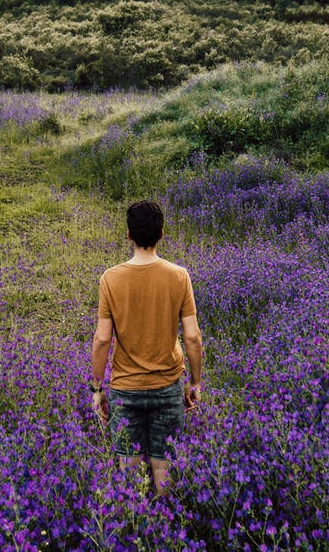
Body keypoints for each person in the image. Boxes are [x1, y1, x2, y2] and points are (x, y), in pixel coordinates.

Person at [90, 200, 203, 495]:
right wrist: (195, 382)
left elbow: (102, 339)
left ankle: (134, 529)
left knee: (129, 476)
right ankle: (164, 526)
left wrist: (97, 388)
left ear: (128, 234)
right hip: (167, 387)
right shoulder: (179, 276)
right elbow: (192, 337)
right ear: (162, 233)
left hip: (126, 389)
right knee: (164, 471)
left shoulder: (110, 278)